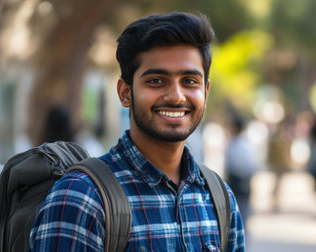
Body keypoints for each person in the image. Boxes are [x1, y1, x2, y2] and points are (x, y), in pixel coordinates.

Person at [29, 12, 245, 251]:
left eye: (189, 81)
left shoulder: (220, 199)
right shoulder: (81, 197)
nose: (176, 96)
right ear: (125, 93)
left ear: (205, 90)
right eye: (156, 81)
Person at [224, 115, 258, 238]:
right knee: (241, 218)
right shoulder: (246, 144)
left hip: (236, 184)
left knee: (236, 219)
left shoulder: (232, 144)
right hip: (243, 185)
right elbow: (253, 166)